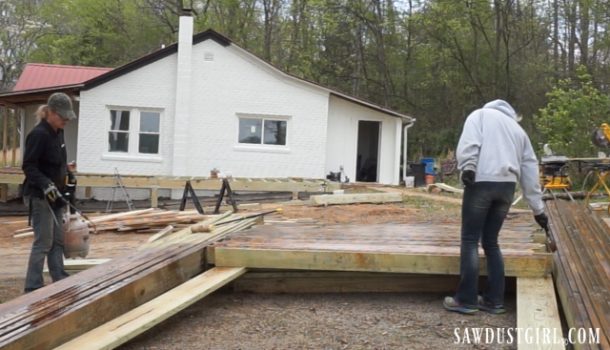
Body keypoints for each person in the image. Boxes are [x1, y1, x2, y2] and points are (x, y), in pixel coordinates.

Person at [443, 99, 548, 314]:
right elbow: (529, 169)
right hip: (507, 188)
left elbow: (469, 143)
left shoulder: (479, 115)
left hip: (481, 182)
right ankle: (494, 301)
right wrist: (538, 209)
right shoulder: (519, 131)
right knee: (491, 242)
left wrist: (468, 167)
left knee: (470, 239)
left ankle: (466, 300)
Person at [22, 92, 77, 293]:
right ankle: (32, 286)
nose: (67, 120)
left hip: (56, 194)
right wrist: (47, 185)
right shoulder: (38, 135)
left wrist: (68, 174)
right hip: (40, 195)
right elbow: (29, 166)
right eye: (63, 117)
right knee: (43, 241)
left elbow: (59, 162)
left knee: (57, 240)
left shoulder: (58, 133)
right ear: (51, 113)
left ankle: (59, 278)